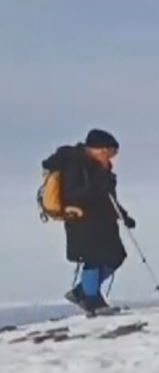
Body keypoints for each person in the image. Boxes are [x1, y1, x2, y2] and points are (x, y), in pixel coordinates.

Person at [42, 129, 133, 316]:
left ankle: (82, 292)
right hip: (82, 220)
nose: (111, 158)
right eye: (109, 152)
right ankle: (92, 300)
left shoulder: (101, 168)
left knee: (115, 256)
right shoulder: (75, 163)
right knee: (93, 259)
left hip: (103, 221)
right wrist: (98, 183)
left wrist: (123, 216)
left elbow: (109, 198)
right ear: (98, 149)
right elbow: (73, 195)